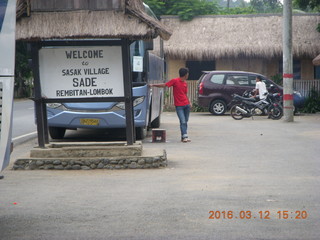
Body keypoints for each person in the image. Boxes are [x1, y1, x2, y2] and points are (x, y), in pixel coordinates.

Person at [149, 68, 191, 143]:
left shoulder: (185, 83)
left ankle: (183, 136)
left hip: (186, 105)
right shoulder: (175, 81)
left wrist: (189, 102)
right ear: (185, 74)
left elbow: (185, 94)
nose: (188, 75)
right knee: (183, 121)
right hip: (179, 106)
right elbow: (164, 85)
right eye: (187, 74)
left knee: (185, 121)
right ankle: (185, 136)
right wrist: (153, 85)